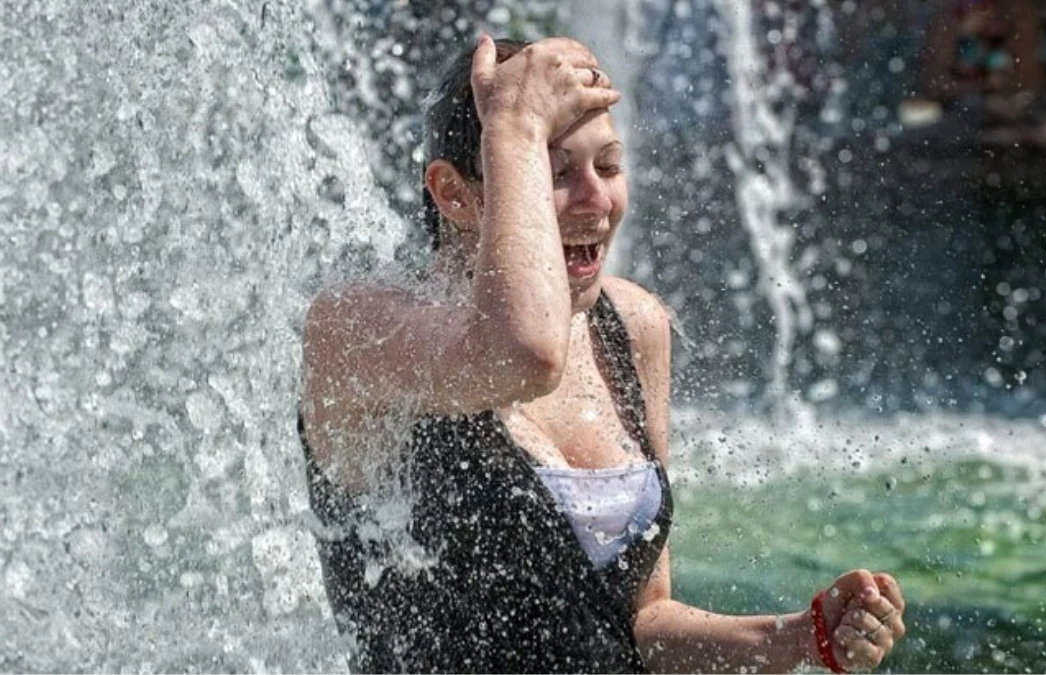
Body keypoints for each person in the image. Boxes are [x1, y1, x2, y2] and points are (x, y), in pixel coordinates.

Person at [299, 35, 906, 673]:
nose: (596, 201)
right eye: (554, 174)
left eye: (609, 167)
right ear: (455, 195)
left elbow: (642, 622)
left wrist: (799, 638)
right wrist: (513, 126)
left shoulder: (630, 325)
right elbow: (525, 356)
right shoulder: (357, 332)